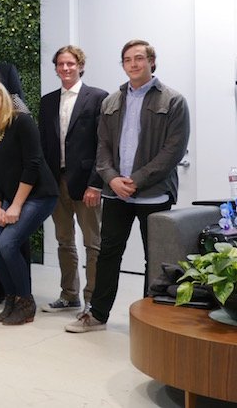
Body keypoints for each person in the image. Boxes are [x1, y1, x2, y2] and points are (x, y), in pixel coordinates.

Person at [67, 40, 190, 333]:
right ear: (122, 65)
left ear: (151, 62)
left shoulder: (173, 101)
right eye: (127, 60)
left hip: (154, 193)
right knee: (109, 254)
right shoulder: (111, 101)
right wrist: (111, 178)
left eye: (139, 58)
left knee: (156, 259)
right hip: (116, 192)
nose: (133, 64)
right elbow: (103, 147)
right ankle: (97, 315)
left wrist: (136, 180)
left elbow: (173, 151)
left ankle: (152, 321)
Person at [0, 80, 58, 325]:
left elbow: (33, 164)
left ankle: (25, 301)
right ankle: (11, 299)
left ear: (3, 98)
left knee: (8, 243)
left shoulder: (22, 122)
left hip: (39, 194)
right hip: (8, 198)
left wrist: (16, 206)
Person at [38, 46, 107, 314]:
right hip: (57, 181)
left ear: (80, 65)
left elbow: (103, 144)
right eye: (60, 64)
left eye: (70, 63)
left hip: (87, 182)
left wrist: (96, 183)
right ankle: (69, 295)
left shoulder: (97, 97)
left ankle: (93, 299)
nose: (65, 68)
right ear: (56, 68)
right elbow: (44, 144)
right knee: (64, 240)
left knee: (93, 243)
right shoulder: (47, 101)